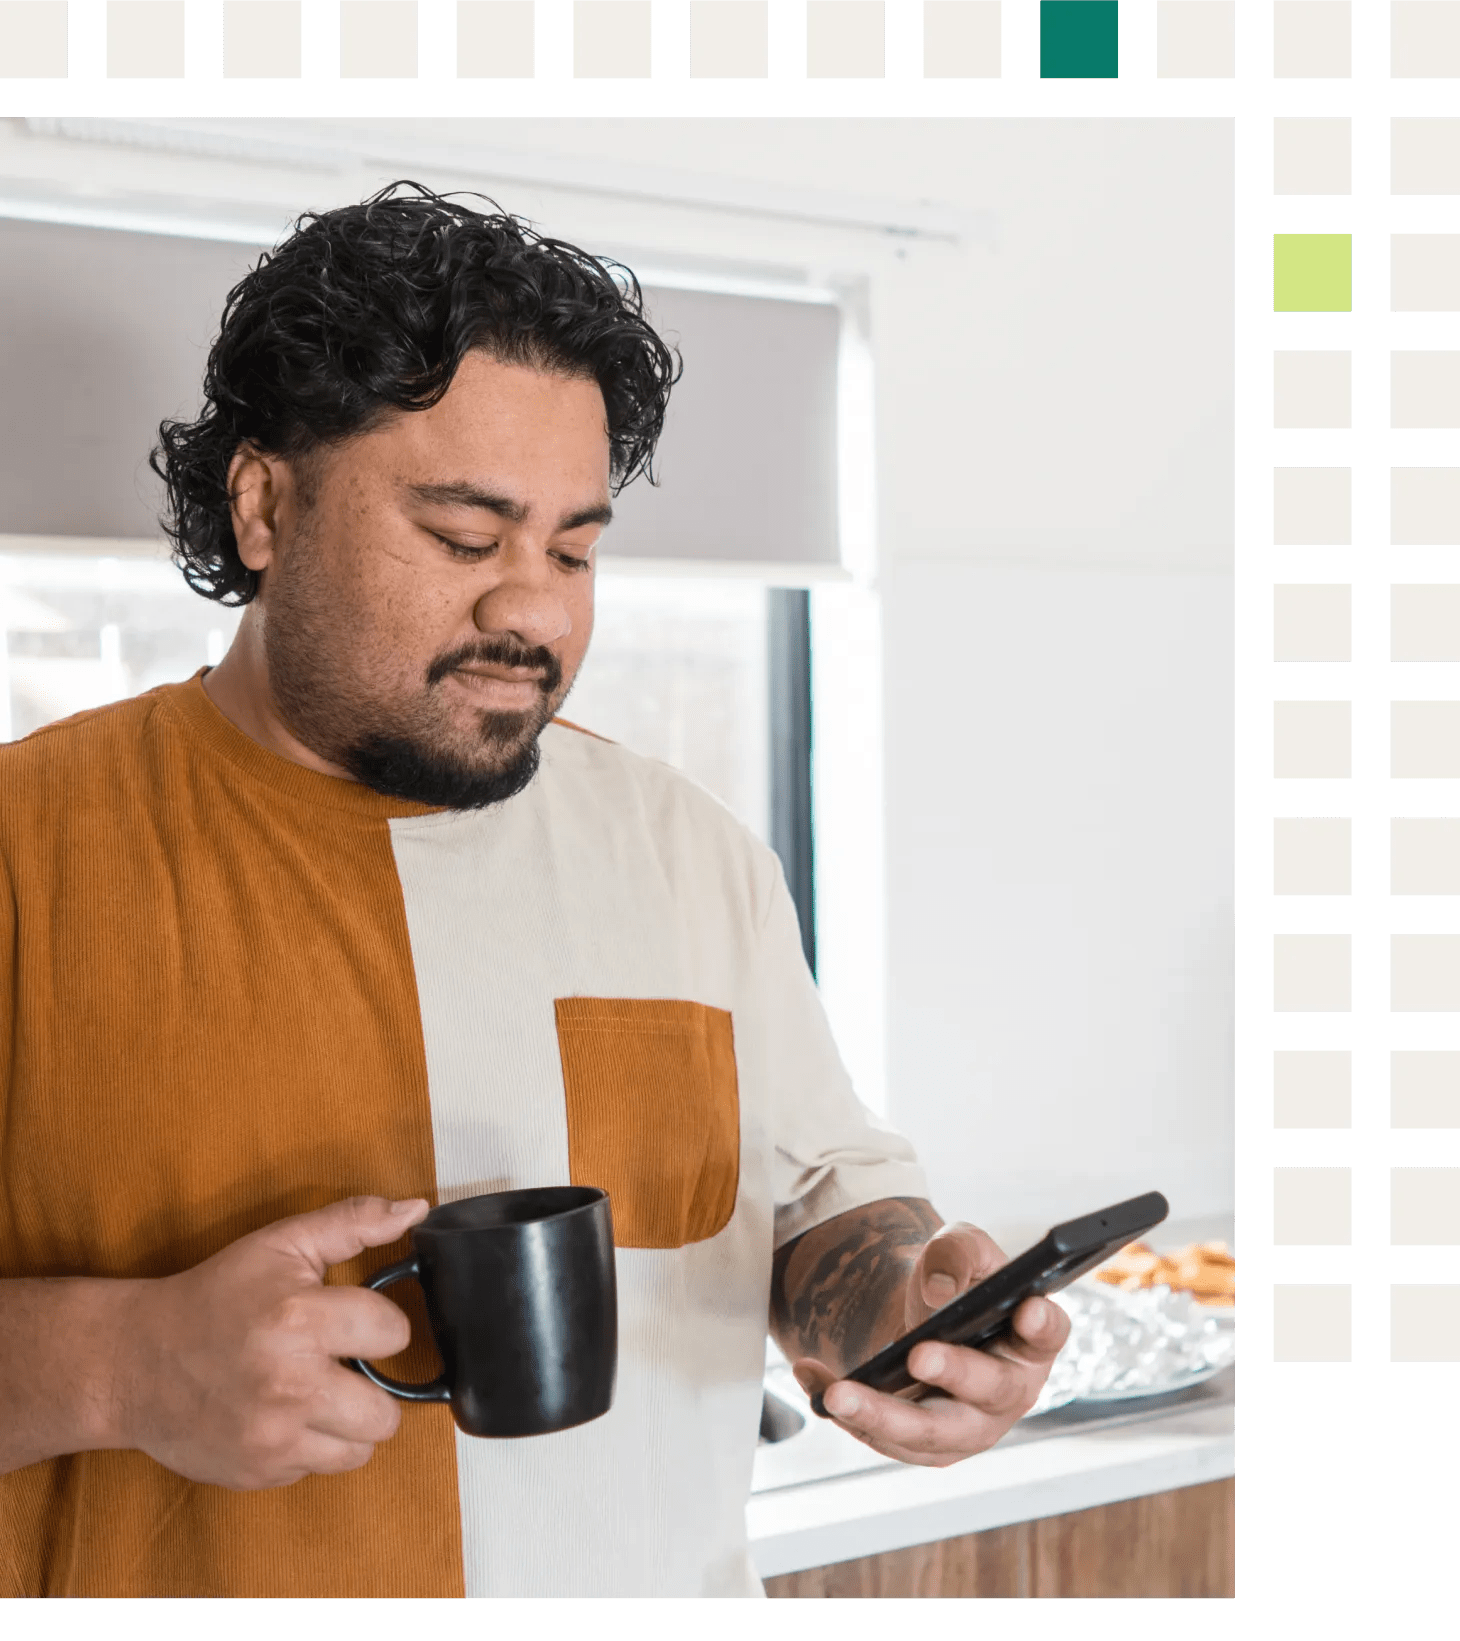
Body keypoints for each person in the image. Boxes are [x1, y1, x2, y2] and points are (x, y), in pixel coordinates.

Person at [0, 183, 1069, 1598]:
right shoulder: (30, 848)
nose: (538, 610)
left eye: (574, 546)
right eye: (465, 537)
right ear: (265, 505)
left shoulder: (688, 853)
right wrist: (113, 1368)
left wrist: (905, 1315)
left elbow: (819, 1208)